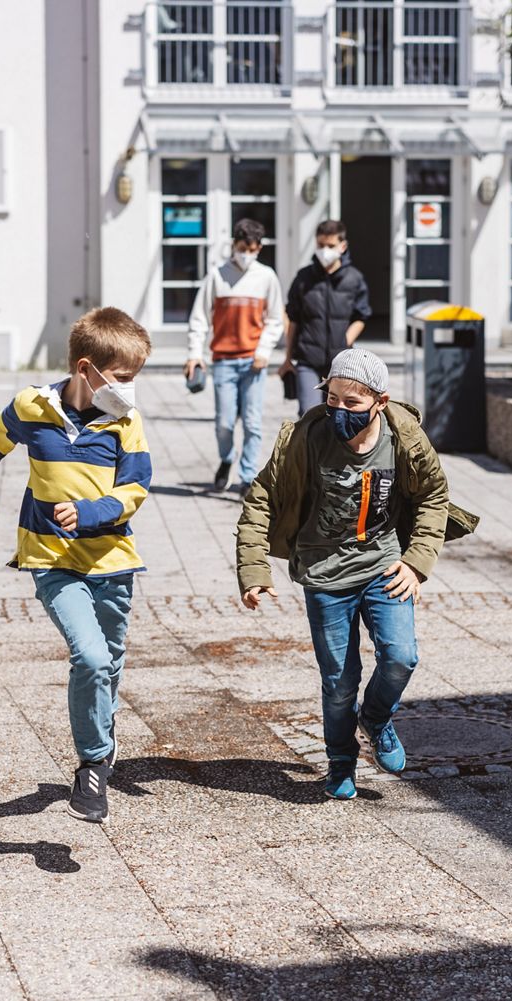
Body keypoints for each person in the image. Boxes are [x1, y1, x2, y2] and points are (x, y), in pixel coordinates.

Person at [0, 307, 153, 824]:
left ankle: (101, 742)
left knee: (109, 658)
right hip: (52, 559)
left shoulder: (125, 421)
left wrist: (90, 512)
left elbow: (135, 489)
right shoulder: (33, 407)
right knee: (88, 656)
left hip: (113, 560)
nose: (131, 390)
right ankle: (92, 764)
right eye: (124, 378)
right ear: (86, 369)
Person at [236, 348, 450, 800]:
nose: (339, 411)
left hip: (384, 565)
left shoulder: (403, 438)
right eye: (332, 399)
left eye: (351, 403)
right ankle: (340, 762)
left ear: (380, 401)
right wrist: (254, 569)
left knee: (401, 656)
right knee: (339, 681)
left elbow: (434, 495)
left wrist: (416, 562)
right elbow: (260, 501)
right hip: (324, 573)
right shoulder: (305, 438)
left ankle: (375, 719)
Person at [184, 219, 285, 491]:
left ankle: (247, 476)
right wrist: (195, 354)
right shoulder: (217, 276)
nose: (247, 254)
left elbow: (276, 319)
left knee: (252, 423)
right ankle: (226, 459)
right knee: (224, 423)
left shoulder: (266, 277)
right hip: (224, 362)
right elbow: (199, 319)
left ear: (259, 248)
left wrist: (264, 351)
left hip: (254, 363)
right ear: (233, 245)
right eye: (242, 248)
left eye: (252, 249)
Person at [280, 220, 372, 416]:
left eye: (330, 246)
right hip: (307, 360)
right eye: (321, 245)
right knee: (309, 414)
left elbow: (361, 316)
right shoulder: (304, 278)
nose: (325, 250)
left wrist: (345, 341)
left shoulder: (354, 279)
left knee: (337, 415)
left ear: (342, 246)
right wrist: (288, 358)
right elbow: (293, 318)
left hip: (340, 364)